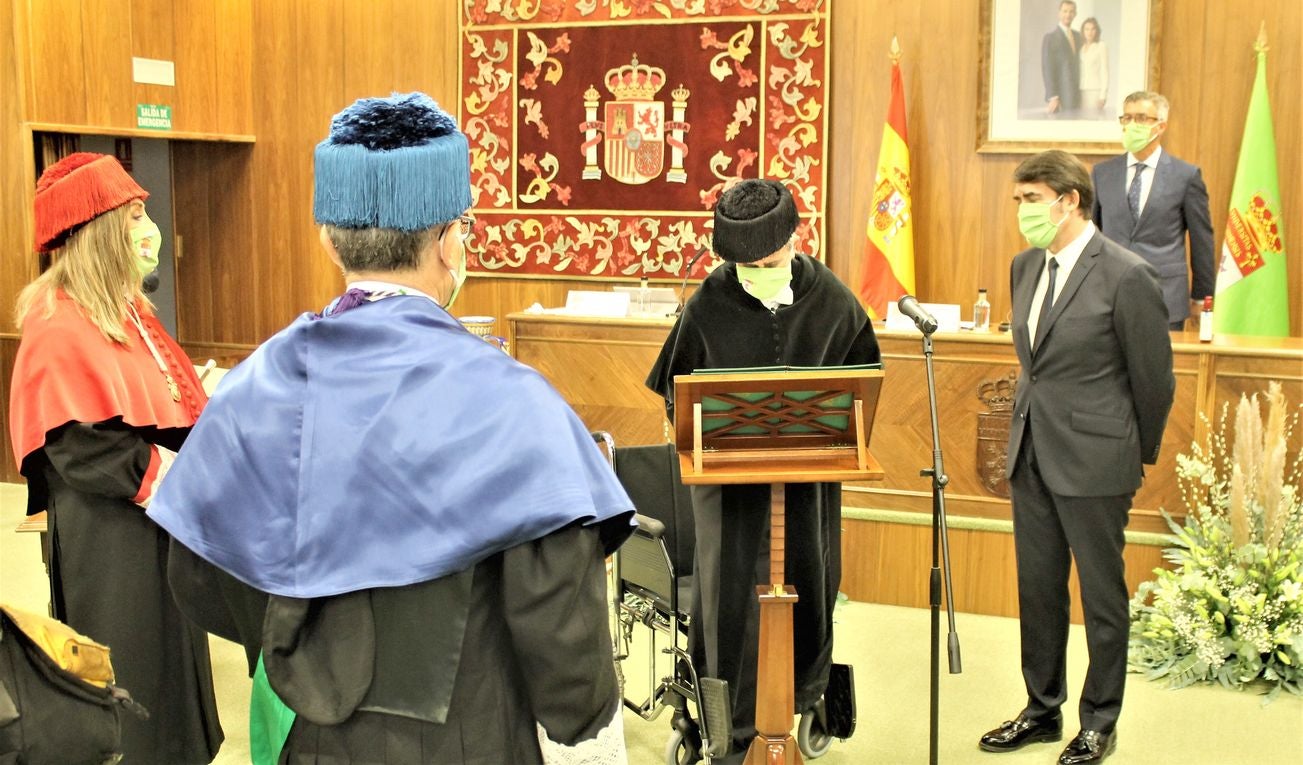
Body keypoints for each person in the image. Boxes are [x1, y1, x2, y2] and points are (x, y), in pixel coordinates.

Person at [144, 92, 636, 765]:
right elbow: (560, 624)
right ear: (448, 242)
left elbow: (197, 573)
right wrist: (577, 718)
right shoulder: (511, 401)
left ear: (328, 238)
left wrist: (293, 649)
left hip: (309, 734)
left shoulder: (259, 385)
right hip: (469, 735)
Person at [646, 179, 881, 762]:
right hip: (727, 486)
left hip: (807, 483)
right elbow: (676, 394)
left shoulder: (833, 300)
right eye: (744, 264)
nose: (755, 272)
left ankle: (804, 695)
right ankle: (730, 723)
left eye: (768, 262)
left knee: (809, 576)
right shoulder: (709, 301)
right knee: (728, 595)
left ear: (796, 240)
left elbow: (861, 390)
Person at [8, 152, 221, 763]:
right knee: (133, 668)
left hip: (153, 523)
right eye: (134, 216)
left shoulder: (126, 310)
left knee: (170, 655)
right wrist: (172, 472)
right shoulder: (59, 321)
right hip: (110, 536)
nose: (148, 228)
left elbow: (156, 402)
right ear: (100, 229)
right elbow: (79, 443)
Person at [979, 151, 1174, 765]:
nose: (1021, 212)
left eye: (1031, 199)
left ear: (1069, 201)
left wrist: (1132, 456)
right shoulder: (1024, 265)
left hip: (1097, 460)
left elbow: (1154, 379)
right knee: (1038, 591)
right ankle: (1041, 710)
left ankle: (1100, 721)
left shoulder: (1127, 274)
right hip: (1031, 452)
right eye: (1018, 201)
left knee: (1100, 596)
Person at [1091, 91, 1215, 329]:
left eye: (1140, 118)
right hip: (1108, 296)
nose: (1131, 125)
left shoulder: (1185, 176)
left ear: (1161, 126)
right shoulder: (1102, 174)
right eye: (1126, 118)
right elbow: (1089, 233)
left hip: (1165, 296)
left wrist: (1202, 296)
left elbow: (1202, 240)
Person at [1041, 1, 1082, 115]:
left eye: (1071, 11)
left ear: (1075, 14)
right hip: (1061, 95)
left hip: (1078, 94)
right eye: (1065, 11)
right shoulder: (1050, 38)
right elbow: (1047, 68)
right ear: (1059, 13)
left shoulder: (1078, 36)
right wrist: (1053, 96)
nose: (1068, 15)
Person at [1077, 18, 1108, 115]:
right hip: (1080, 90)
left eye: (1092, 29)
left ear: (1096, 31)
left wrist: (1103, 95)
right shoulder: (1080, 47)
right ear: (1083, 31)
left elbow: (1104, 71)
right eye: (1087, 29)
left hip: (1094, 90)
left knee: (1092, 118)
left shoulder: (1101, 46)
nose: (1089, 32)